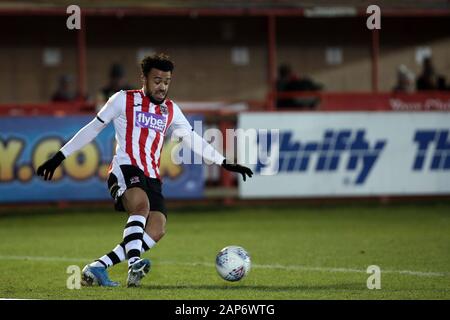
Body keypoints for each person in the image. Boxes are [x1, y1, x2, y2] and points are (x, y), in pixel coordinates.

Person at [37, 53, 253, 287]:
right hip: (125, 168)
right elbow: (92, 129)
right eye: (157, 81)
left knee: (157, 229)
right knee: (141, 206)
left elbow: (192, 139)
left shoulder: (171, 109)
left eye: (167, 82)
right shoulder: (122, 99)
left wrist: (224, 162)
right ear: (144, 78)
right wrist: (59, 156)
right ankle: (134, 265)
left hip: (151, 175)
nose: (162, 87)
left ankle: (98, 267)